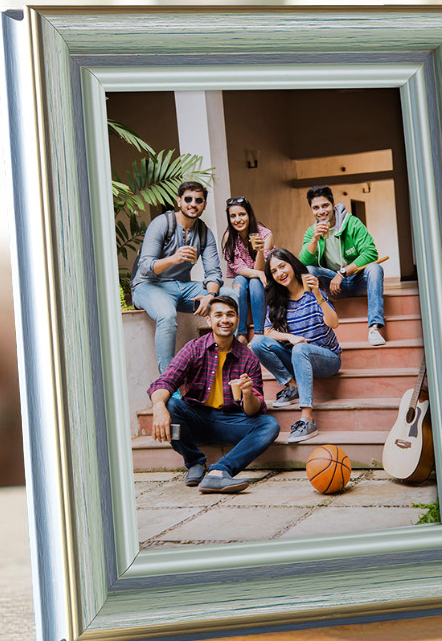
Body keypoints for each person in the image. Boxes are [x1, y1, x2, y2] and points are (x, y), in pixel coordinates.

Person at [147, 294, 279, 493]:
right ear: (209, 319)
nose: (225, 320)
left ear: (237, 319)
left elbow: (253, 411)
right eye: (219, 315)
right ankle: (194, 462)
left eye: (230, 315)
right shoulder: (194, 348)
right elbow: (166, 380)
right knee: (170, 405)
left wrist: (248, 393)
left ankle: (219, 471)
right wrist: (157, 407)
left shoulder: (248, 358)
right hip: (196, 419)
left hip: (231, 421)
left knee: (269, 424)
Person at [251, 248, 342, 445]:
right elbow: (267, 331)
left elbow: (333, 323)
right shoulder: (278, 299)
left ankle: (307, 418)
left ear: (292, 265)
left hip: (327, 358)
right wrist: (290, 337)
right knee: (257, 342)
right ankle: (292, 385)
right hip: (298, 355)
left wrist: (318, 294)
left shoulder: (312, 289)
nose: (279, 273)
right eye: (274, 271)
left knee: (301, 350)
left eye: (282, 266)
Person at [131, 180, 223, 372]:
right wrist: (174, 259)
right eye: (188, 199)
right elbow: (146, 267)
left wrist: (210, 296)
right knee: (166, 315)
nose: (193, 204)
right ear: (179, 201)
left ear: (204, 205)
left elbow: (213, 272)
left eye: (198, 200)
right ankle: (168, 382)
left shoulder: (204, 233)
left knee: (228, 296)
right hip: (149, 286)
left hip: (182, 288)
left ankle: (227, 360)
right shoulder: (162, 224)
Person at [299, 184, 386, 346]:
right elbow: (304, 264)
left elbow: (371, 253)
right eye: (316, 208)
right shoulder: (312, 232)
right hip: (333, 286)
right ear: (311, 210)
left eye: (325, 205)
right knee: (309, 271)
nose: (321, 211)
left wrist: (342, 273)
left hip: (357, 280)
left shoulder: (352, 223)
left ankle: (374, 327)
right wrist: (314, 240)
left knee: (375, 268)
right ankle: (314, 326)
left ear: (333, 205)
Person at [221, 195, 273, 344]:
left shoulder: (265, 235)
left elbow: (261, 269)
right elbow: (237, 268)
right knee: (239, 280)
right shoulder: (229, 237)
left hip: (261, 284)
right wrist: (257, 273)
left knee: (255, 282)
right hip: (244, 281)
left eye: (242, 214)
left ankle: (258, 332)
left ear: (249, 214)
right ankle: (241, 333)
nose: (238, 219)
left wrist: (261, 250)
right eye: (233, 216)